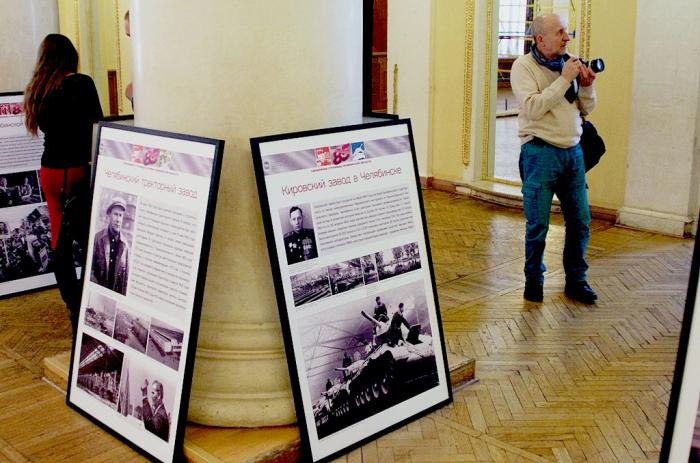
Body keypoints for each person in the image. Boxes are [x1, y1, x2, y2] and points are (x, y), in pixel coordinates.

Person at [510, 13, 598, 304]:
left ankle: (577, 281)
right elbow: (534, 108)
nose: (567, 37)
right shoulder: (523, 67)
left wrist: (586, 85)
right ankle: (533, 281)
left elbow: (588, 108)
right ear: (540, 38)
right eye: (560, 32)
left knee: (581, 221)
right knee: (538, 225)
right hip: (540, 153)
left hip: (573, 154)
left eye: (567, 32)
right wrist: (563, 80)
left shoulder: (569, 63)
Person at [24, 34, 103, 332]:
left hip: (50, 171)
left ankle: (72, 305)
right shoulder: (81, 83)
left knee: (59, 239)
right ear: (71, 55)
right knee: (85, 239)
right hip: (75, 171)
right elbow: (97, 121)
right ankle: (87, 302)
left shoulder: (39, 88)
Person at [90, 197, 130, 295]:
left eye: (120, 215)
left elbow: (125, 282)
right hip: (98, 292)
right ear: (109, 214)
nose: (118, 219)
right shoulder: (98, 238)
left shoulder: (125, 246)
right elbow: (90, 269)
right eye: (115, 214)